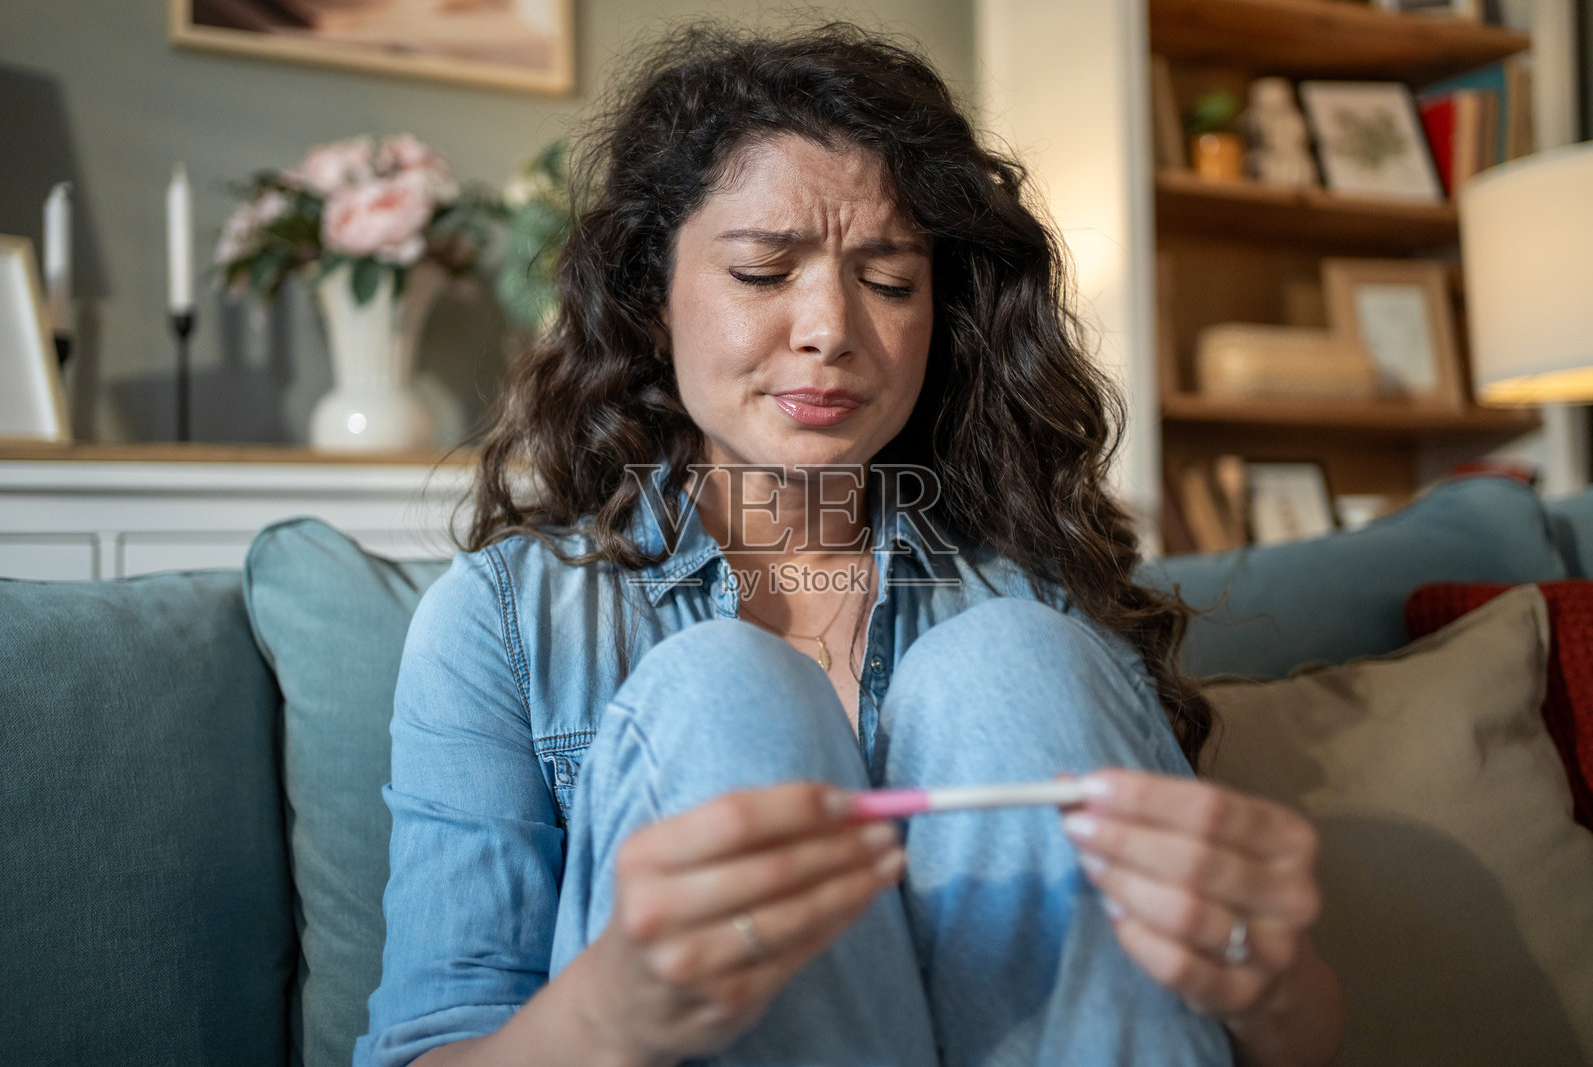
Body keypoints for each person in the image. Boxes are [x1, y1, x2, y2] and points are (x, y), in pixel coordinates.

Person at [355, 22, 1344, 1067]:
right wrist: (609, 1009)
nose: (830, 328)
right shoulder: (508, 620)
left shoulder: (1035, 597)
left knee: (1010, 657)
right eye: (761, 271)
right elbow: (429, 1040)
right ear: (652, 304)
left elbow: (1288, 1037)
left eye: (889, 282)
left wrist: (1265, 972)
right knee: (724, 688)